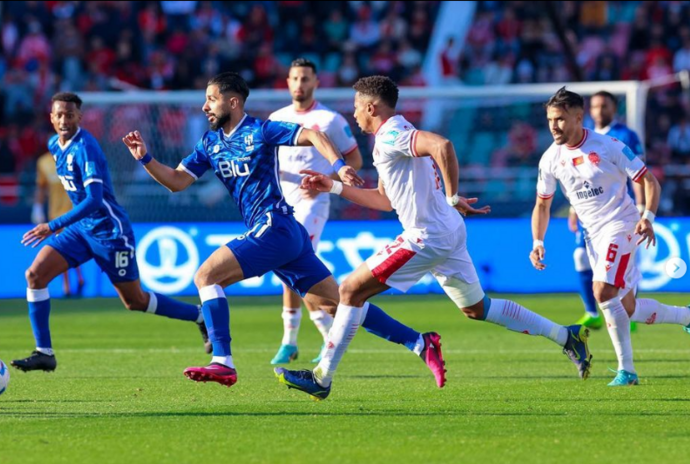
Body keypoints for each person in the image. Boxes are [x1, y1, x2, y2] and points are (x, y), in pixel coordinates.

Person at [122, 72, 447, 391]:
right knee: (338, 305)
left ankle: (223, 361)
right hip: (285, 234)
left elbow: (313, 134)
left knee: (206, 277)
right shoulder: (209, 144)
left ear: (232, 101)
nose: (205, 106)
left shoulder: (259, 130)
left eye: (211, 99)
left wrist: (338, 166)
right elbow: (178, 182)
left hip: (274, 225)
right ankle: (420, 342)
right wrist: (146, 159)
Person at [276, 76, 593, 401]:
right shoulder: (391, 135)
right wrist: (333, 187)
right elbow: (385, 200)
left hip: (425, 236)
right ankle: (565, 336)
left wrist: (454, 196)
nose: (355, 114)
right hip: (447, 231)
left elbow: (443, 146)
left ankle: (322, 377)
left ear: (371, 107)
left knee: (349, 290)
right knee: (477, 308)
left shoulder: (394, 134)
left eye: (357, 107)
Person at [12, 92, 211, 373]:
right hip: (81, 230)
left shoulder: (86, 148)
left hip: (110, 233)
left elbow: (93, 200)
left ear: (80, 117)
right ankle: (44, 352)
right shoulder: (53, 145)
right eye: (59, 115)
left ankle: (200, 316)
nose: (64, 120)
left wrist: (52, 225)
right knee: (35, 275)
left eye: (70, 115)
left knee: (135, 301)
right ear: (51, 118)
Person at [530, 87, 690, 386]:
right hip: (593, 236)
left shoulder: (609, 145)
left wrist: (648, 217)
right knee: (626, 309)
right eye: (550, 119)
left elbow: (649, 180)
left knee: (602, 292)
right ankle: (686, 317)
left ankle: (626, 370)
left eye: (561, 119)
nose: (554, 126)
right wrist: (537, 242)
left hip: (622, 225)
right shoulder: (550, 159)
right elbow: (542, 203)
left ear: (579, 118)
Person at [267, 58, 363, 365]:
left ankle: (291, 339)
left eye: (306, 79)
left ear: (316, 83)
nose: (300, 84)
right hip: (283, 203)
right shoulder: (276, 118)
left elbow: (355, 161)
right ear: (287, 82)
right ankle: (322, 334)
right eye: (295, 78)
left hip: (313, 204)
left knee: (292, 261)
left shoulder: (330, 120)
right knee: (292, 269)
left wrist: (327, 181)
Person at [569, 90, 645, 331]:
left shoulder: (625, 135)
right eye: (595, 106)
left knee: (626, 261)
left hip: (620, 211)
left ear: (614, 108)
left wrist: (642, 206)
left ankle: (628, 309)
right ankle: (592, 312)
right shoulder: (583, 136)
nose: (599, 111)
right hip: (589, 211)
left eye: (604, 106)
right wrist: (573, 207)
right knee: (581, 256)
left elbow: (640, 173)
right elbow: (578, 178)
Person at [32, 151, 85, 297]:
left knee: (64, 249)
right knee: (65, 249)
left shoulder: (72, 158)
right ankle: (77, 280)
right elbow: (41, 186)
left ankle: (67, 287)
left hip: (72, 212)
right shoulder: (43, 162)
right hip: (55, 214)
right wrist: (37, 206)